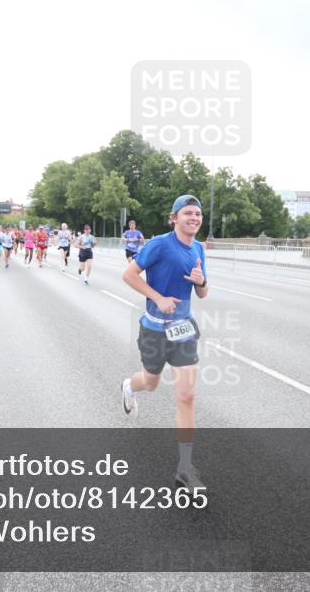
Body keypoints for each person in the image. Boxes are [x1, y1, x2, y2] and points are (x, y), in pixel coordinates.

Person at [119, 195, 208, 490]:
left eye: (197, 214)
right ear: (174, 218)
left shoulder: (198, 248)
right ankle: (130, 386)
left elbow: (203, 292)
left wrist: (200, 282)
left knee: (186, 396)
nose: (194, 218)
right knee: (151, 382)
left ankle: (185, 467)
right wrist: (157, 298)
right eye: (187, 213)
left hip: (183, 330)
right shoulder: (159, 244)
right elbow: (129, 274)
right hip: (155, 329)